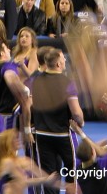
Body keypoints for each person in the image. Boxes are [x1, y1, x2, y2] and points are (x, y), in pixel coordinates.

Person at [30, 48, 83, 194]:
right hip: (63, 135)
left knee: (49, 176)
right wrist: (81, 122)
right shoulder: (67, 82)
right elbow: (76, 112)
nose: (65, 60)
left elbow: (29, 106)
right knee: (72, 173)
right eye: (63, 59)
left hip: (42, 135)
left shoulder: (35, 81)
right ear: (59, 64)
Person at [0, 129, 58, 194]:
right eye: (15, 138)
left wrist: (46, 180)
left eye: (18, 137)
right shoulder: (8, 162)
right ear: (8, 142)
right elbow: (24, 181)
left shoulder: (13, 160)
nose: (18, 140)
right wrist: (45, 180)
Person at [0, 41, 32, 131]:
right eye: (6, 48)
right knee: (8, 144)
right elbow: (10, 76)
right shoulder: (7, 66)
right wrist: (25, 89)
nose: (9, 50)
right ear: (2, 53)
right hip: (7, 116)